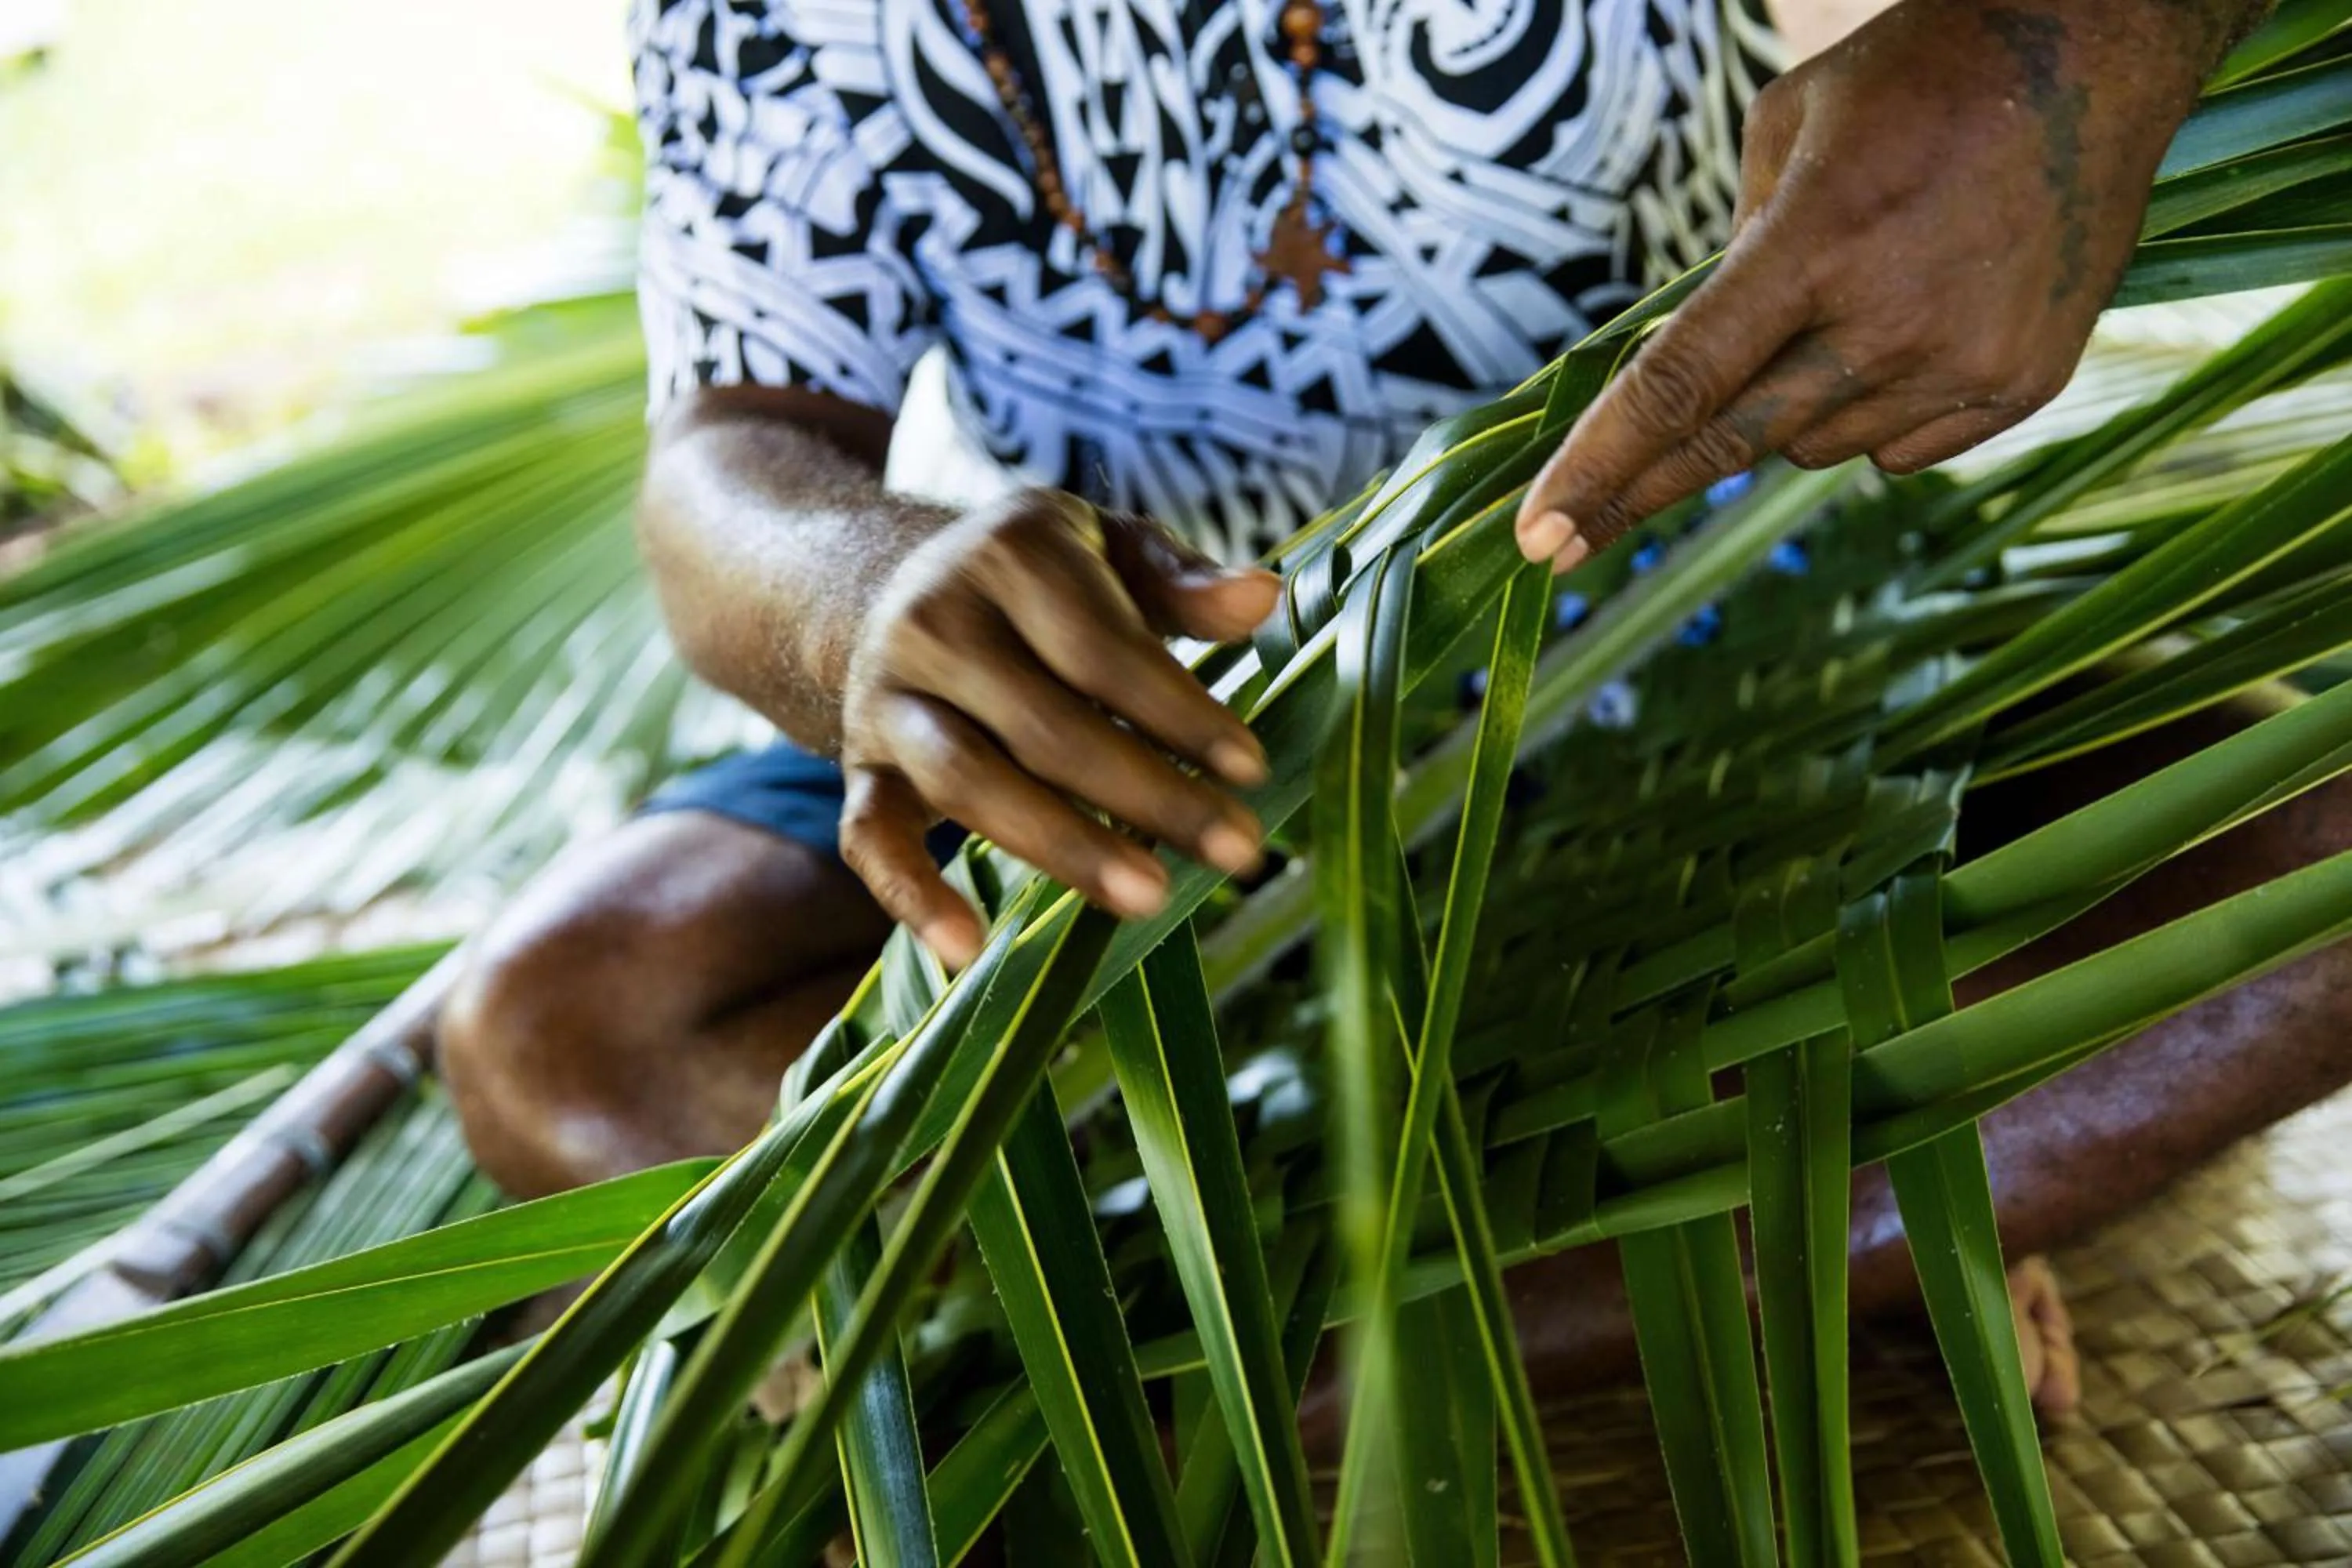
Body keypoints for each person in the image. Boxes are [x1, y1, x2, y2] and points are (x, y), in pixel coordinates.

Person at [440, 0, 2339, 1419]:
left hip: (1743, 705)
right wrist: (858, 593)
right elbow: (730, 456)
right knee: (562, 1039)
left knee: (2323, 847)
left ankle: (1177, 1366)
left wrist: (2083, 47)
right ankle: (1813, 1236)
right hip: (1143, 749)